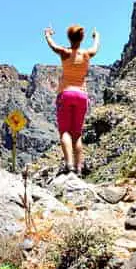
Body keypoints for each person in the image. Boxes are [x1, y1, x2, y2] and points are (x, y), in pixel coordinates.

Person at [44, 24, 99, 175]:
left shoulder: (65, 53)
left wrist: (48, 34)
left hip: (66, 94)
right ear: (82, 38)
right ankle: (79, 167)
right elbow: (95, 48)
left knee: (65, 132)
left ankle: (69, 165)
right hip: (82, 95)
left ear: (69, 38)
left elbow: (53, 46)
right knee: (77, 134)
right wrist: (96, 37)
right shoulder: (87, 54)